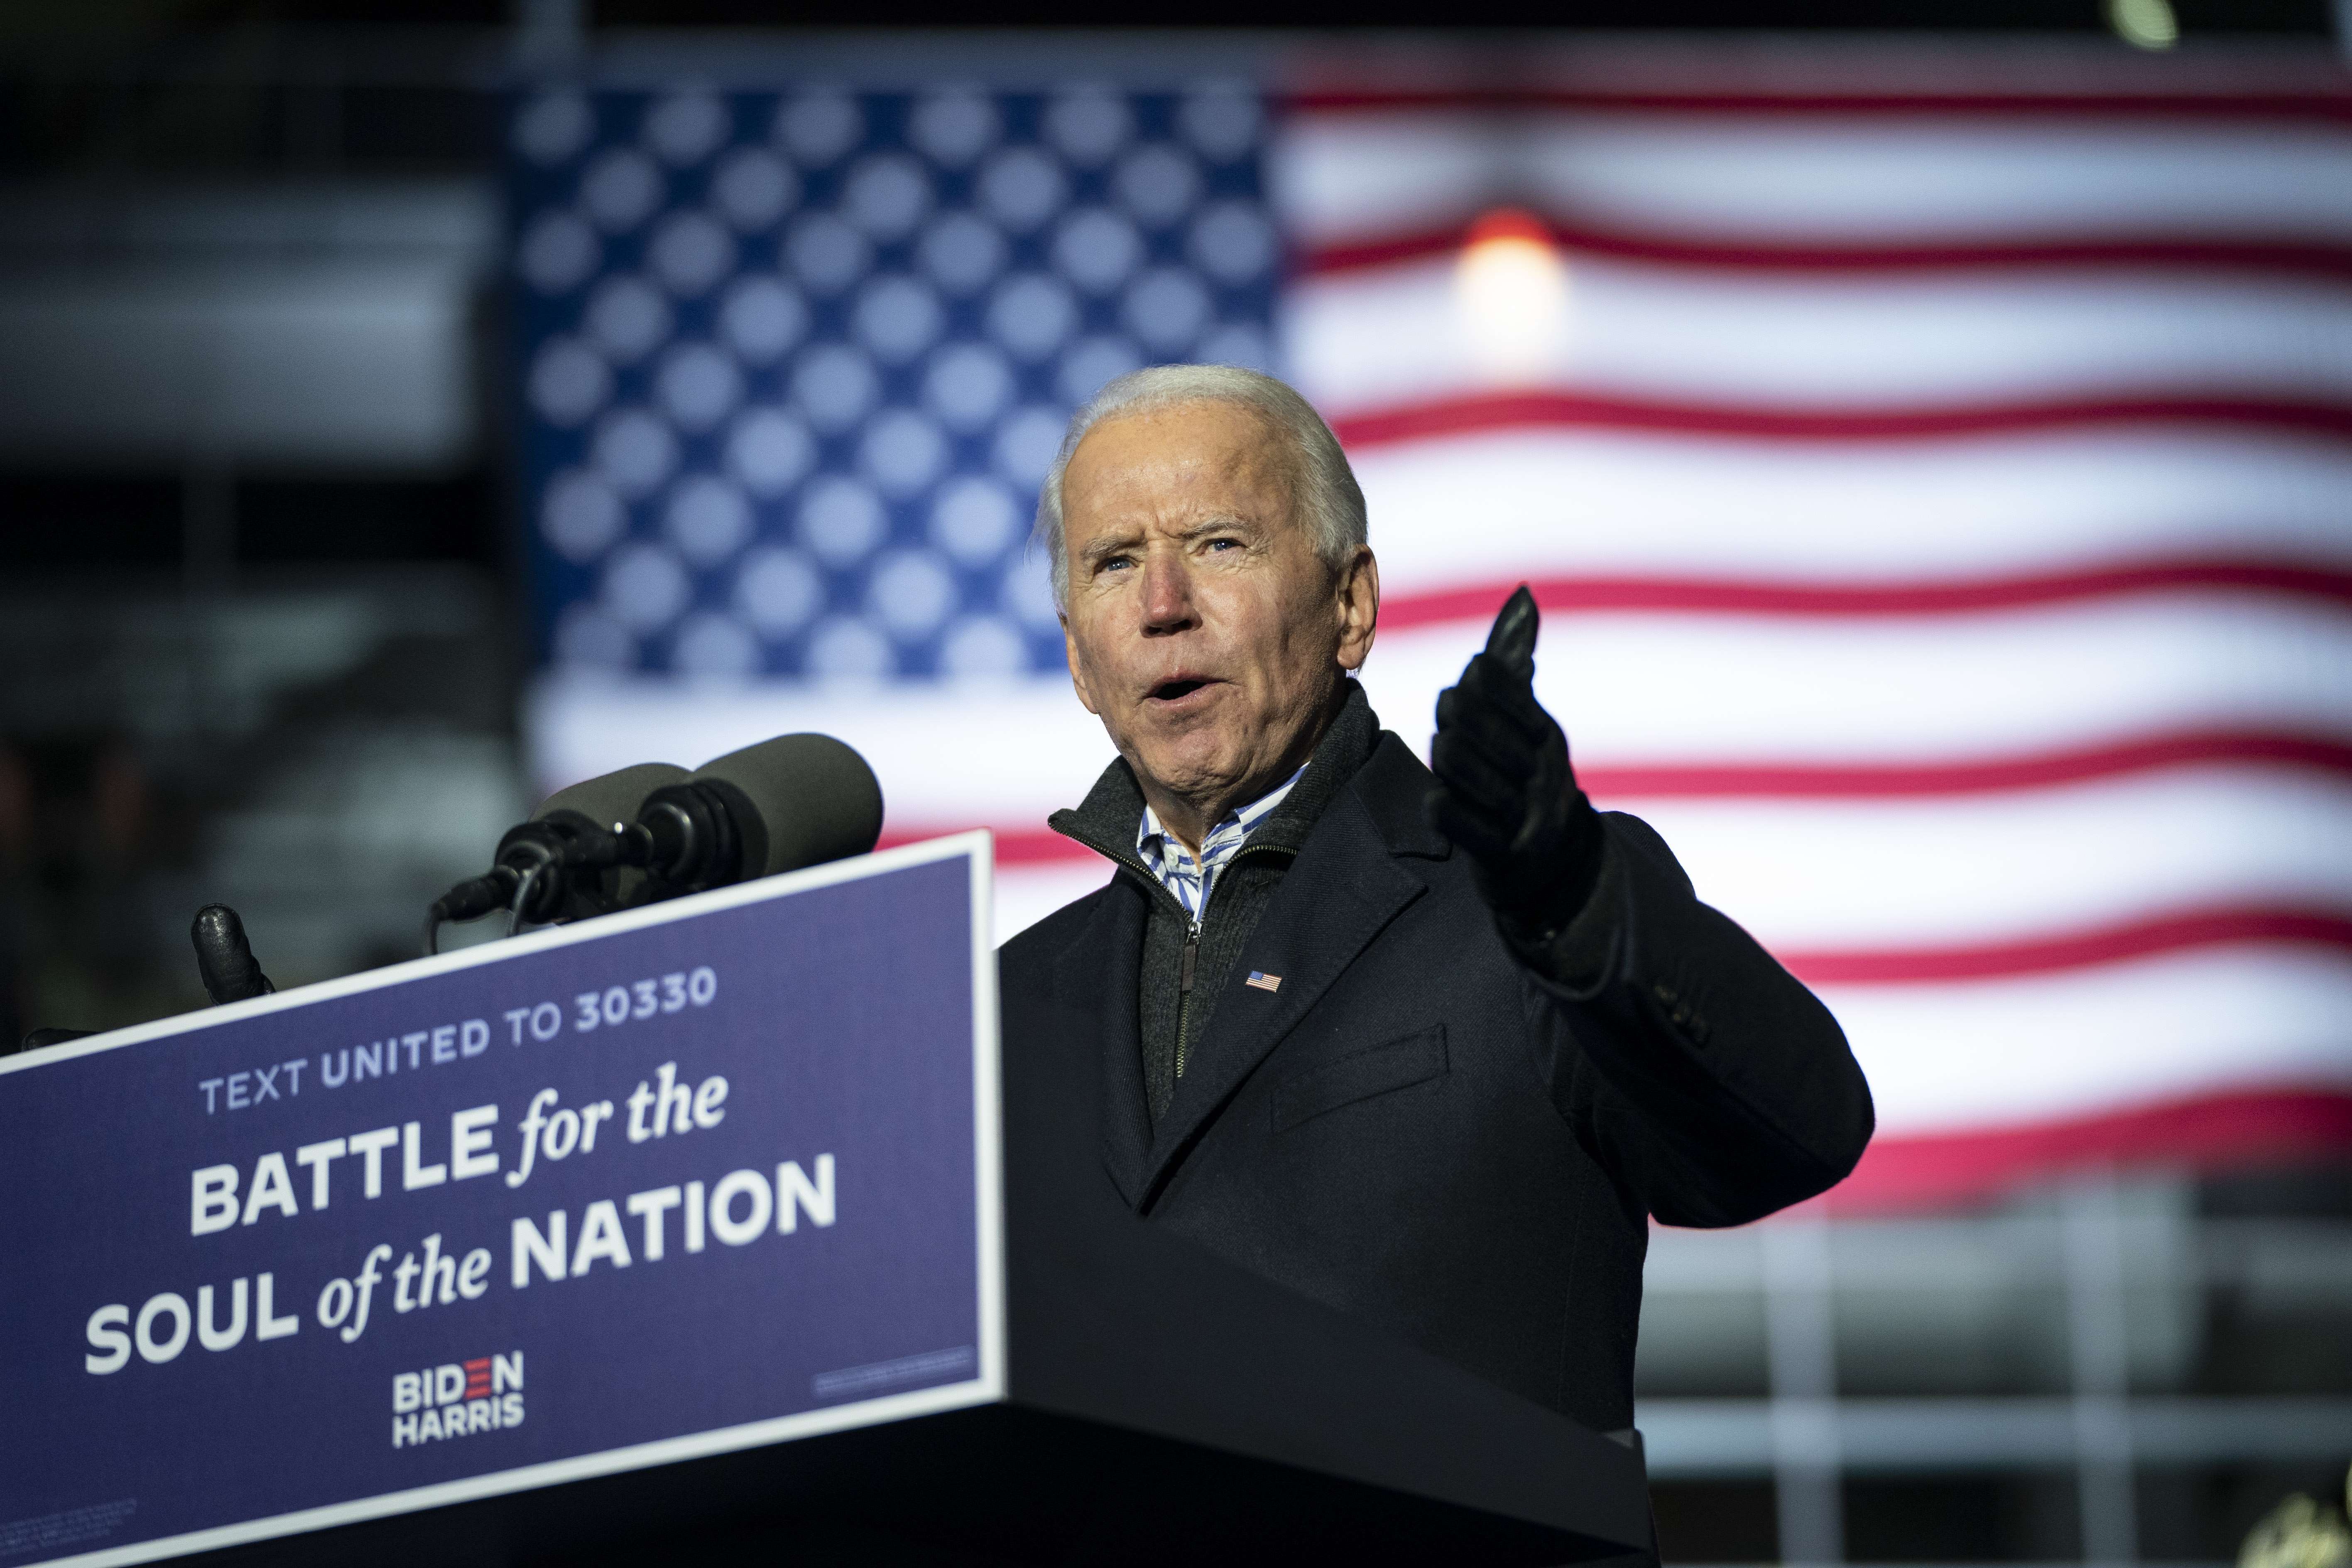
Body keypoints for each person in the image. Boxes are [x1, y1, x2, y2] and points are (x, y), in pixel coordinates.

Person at [997, 364, 1873, 1435]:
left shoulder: (1533, 910)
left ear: (1350, 605)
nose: (1163, 605)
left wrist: (1576, 898)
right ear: (1081, 658)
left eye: (1220, 544)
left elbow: (1797, 1134)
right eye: (1114, 562)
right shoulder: (1002, 1006)